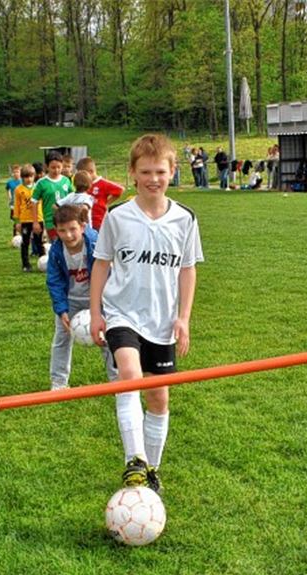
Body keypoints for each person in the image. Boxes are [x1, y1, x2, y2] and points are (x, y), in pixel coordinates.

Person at [89, 133, 203, 493]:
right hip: (123, 313)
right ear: (132, 174)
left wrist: (183, 318)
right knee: (129, 374)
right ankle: (134, 461)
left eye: (160, 171)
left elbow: (187, 269)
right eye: (145, 172)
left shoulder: (185, 219)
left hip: (162, 320)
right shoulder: (118, 216)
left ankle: (151, 470)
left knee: (158, 397)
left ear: (172, 172)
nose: (153, 179)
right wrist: (96, 313)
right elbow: (101, 265)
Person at [46, 204, 118, 390]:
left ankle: (117, 380)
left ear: (83, 226)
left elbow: (108, 274)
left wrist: (103, 304)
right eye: (62, 231)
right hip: (70, 300)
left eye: (73, 229)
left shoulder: (95, 244)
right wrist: (61, 309)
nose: (68, 235)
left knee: (107, 338)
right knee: (62, 339)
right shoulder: (55, 251)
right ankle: (59, 382)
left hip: (98, 299)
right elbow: (54, 281)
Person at [31, 150, 73, 248]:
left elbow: (73, 197)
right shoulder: (41, 183)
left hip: (67, 219)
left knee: (68, 246)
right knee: (57, 246)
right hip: (51, 221)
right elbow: (34, 202)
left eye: (59, 167)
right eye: (53, 167)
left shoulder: (66, 180)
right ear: (46, 167)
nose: (56, 170)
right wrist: (35, 222)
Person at [76, 156, 124, 231]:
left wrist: (107, 203)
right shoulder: (84, 184)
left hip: (99, 220)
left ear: (91, 172)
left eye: (83, 174)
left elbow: (120, 190)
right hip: (86, 220)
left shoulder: (103, 183)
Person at [13, 164, 39, 272]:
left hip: (38, 219)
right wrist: (17, 221)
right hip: (25, 219)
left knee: (39, 241)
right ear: (22, 178)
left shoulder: (38, 187)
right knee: (25, 242)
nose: (29, 179)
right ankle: (25, 264)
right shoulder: (19, 190)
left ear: (34, 176)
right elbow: (17, 205)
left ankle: (43, 260)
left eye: (31, 176)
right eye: (26, 177)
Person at [6, 164, 22, 238]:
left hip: (22, 204)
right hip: (13, 204)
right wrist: (9, 197)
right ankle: (15, 236)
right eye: (14, 172)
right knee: (15, 220)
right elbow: (7, 189)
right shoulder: (10, 182)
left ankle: (23, 235)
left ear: (20, 172)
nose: (16, 173)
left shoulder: (23, 181)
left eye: (17, 172)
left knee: (22, 219)